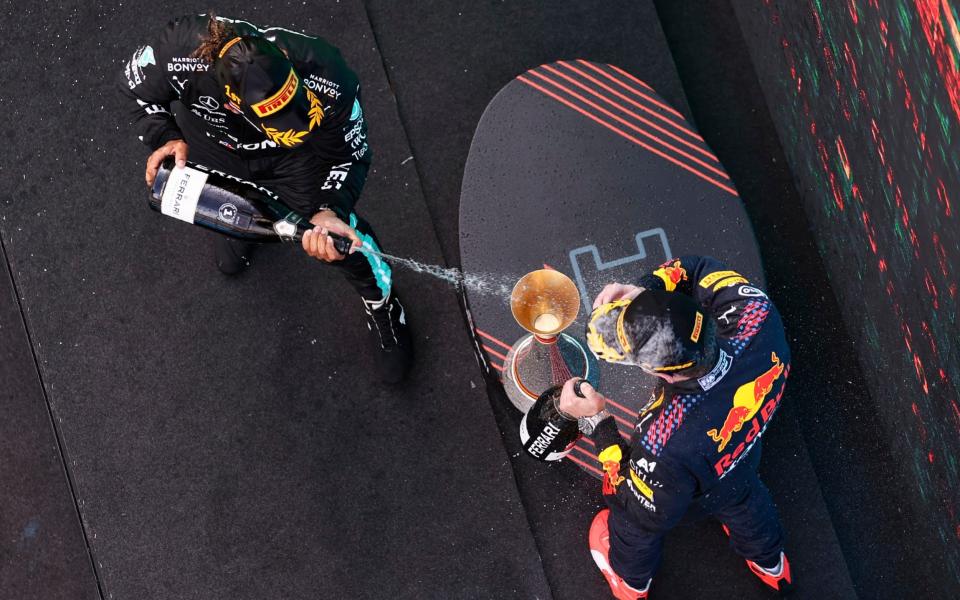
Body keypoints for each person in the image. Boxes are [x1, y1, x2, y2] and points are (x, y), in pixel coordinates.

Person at [118, 13, 411, 383]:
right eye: (280, 118)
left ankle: (382, 303)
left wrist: (330, 209)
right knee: (232, 221)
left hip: (296, 165)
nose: (297, 119)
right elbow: (135, 88)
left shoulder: (325, 69)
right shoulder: (181, 51)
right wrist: (164, 137)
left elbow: (352, 153)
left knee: (340, 240)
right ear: (234, 104)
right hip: (217, 152)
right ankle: (242, 226)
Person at [560, 256, 793, 598]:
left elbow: (640, 506)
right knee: (745, 501)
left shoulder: (663, 440)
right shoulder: (756, 313)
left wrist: (598, 421)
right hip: (742, 459)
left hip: (688, 486)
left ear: (663, 374)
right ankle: (772, 564)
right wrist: (648, 288)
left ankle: (631, 583)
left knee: (632, 525)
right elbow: (696, 269)